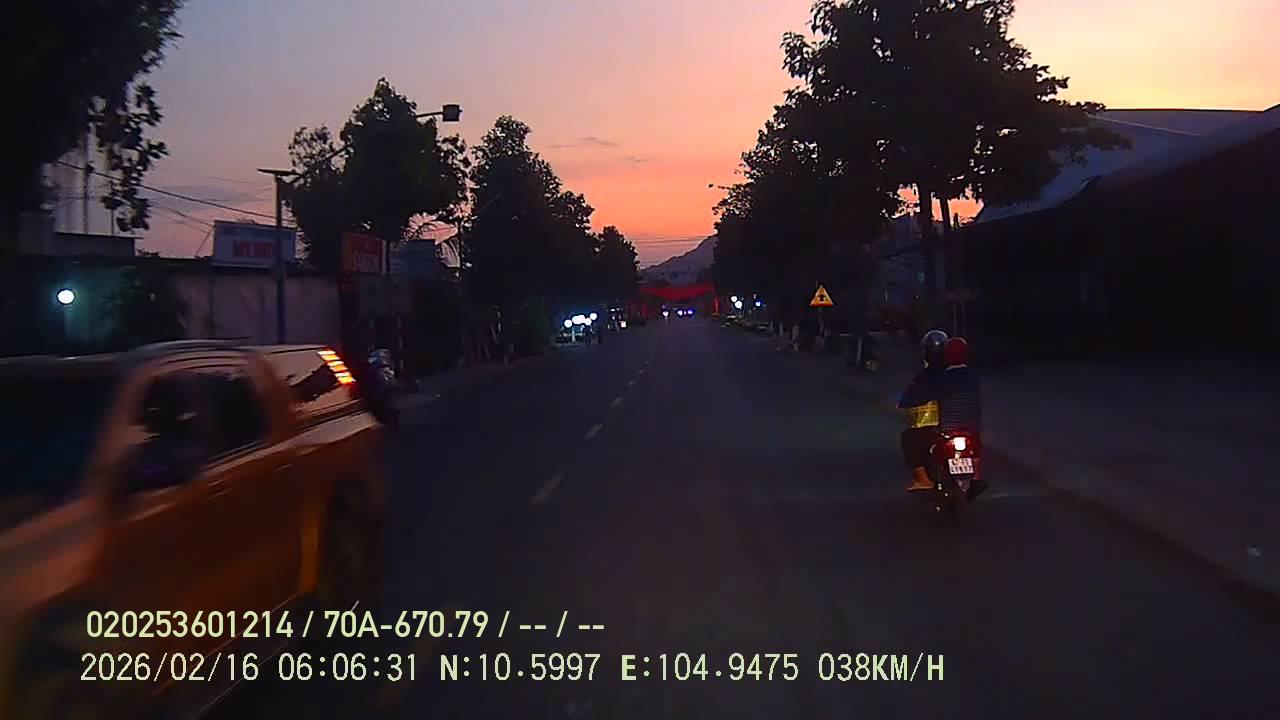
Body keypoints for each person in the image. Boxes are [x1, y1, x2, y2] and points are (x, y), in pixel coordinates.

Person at [897, 333, 982, 491]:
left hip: (946, 428)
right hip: (972, 427)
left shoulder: (943, 377)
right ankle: (976, 476)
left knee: (909, 438)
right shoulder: (973, 376)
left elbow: (920, 395)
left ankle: (923, 480)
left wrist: (905, 402)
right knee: (976, 445)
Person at [898, 330, 949, 490]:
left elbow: (911, 397)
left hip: (934, 428)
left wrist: (902, 403)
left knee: (908, 438)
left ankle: (923, 479)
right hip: (961, 424)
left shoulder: (925, 376)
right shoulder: (957, 373)